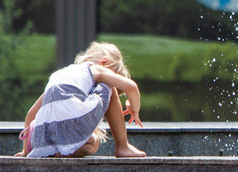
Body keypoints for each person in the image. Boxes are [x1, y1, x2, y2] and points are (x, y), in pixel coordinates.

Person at [16, 41, 147, 158]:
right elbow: (131, 87)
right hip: (71, 121)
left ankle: (56, 151)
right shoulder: (97, 69)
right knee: (93, 143)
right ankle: (123, 146)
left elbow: (30, 114)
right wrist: (134, 109)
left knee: (87, 141)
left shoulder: (64, 75)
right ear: (104, 62)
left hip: (44, 134)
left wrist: (25, 152)